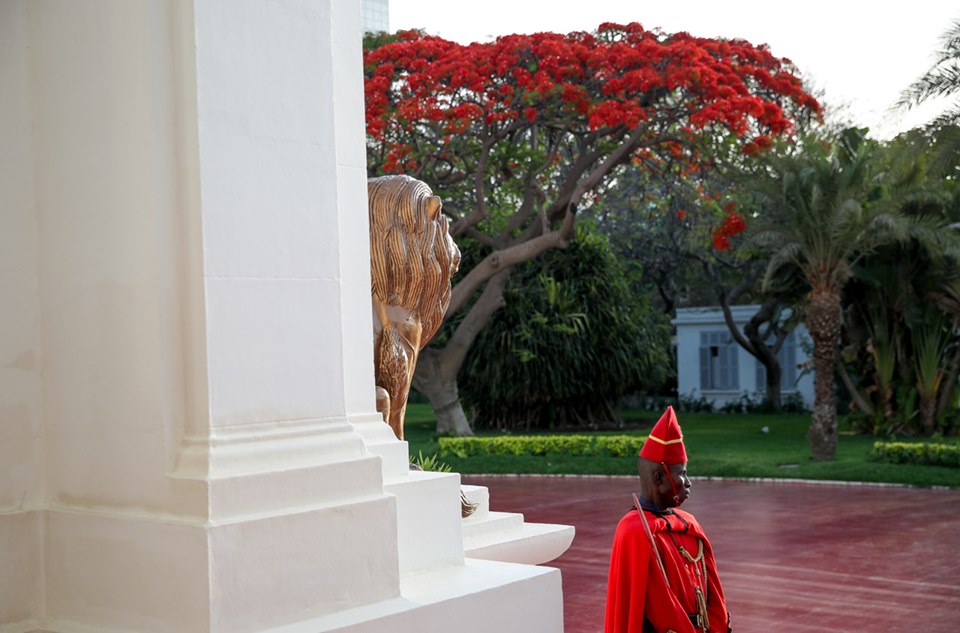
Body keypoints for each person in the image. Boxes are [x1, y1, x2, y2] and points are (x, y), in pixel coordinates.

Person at [604, 406, 732, 633]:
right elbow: (647, 610)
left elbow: (713, 590)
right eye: (682, 473)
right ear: (658, 477)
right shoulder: (634, 530)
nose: (689, 482)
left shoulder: (688, 523)